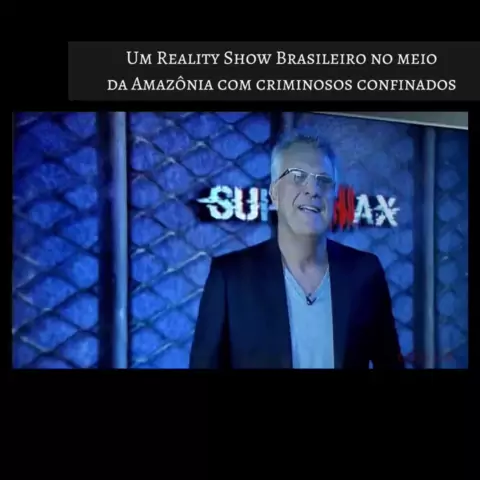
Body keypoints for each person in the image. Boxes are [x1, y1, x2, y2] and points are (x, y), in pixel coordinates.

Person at [190, 134, 404, 369]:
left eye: (324, 181)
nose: (313, 190)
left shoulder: (364, 272)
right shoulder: (230, 277)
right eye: (298, 177)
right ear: (274, 193)